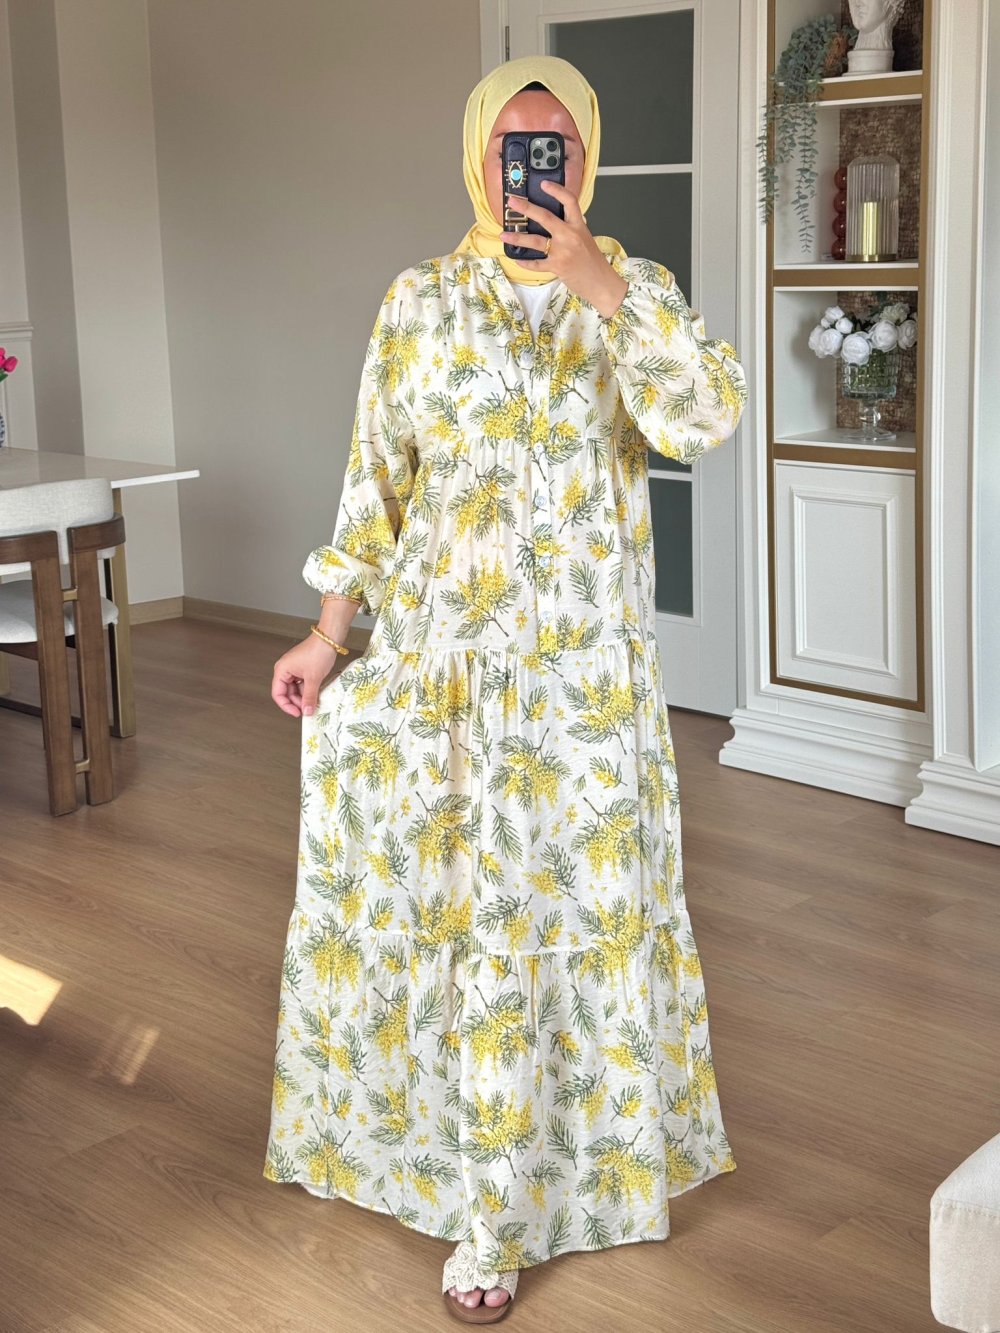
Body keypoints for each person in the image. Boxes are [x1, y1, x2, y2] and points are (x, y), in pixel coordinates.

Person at [266, 53, 747, 1325]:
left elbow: (702, 419)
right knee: (455, 914)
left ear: (587, 159)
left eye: (558, 148)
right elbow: (377, 478)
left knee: (565, 911)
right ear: (478, 158)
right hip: (439, 670)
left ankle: (572, 1172)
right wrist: (326, 634)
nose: (533, 169)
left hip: (582, 686)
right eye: (511, 148)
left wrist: (601, 285)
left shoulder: (635, 291)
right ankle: (469, 1194)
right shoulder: (420, 299)